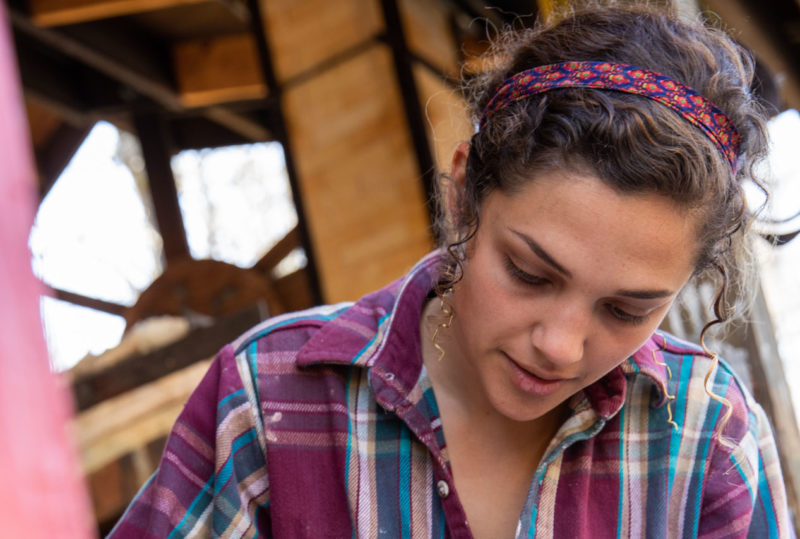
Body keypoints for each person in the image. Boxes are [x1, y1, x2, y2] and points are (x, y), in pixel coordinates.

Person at [109, 4, 795, 538]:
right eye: (529, 272)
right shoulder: (268, 400)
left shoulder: (708, 431)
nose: (559, 345)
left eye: (626, 310)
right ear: (463, 195)